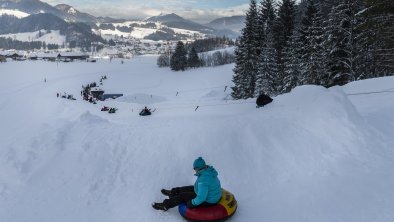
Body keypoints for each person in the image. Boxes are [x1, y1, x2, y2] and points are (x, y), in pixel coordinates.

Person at [152, 157, 222, 211]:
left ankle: (165, 205)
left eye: (194, 168)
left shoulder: (203, 181)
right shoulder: (208, 171)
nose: (194, 170)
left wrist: (192, 203)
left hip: (208, 200)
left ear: (198, 168)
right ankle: (172, 192)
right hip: (211, 195)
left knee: (183, 196)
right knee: (189, 188)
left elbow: (201, 198)